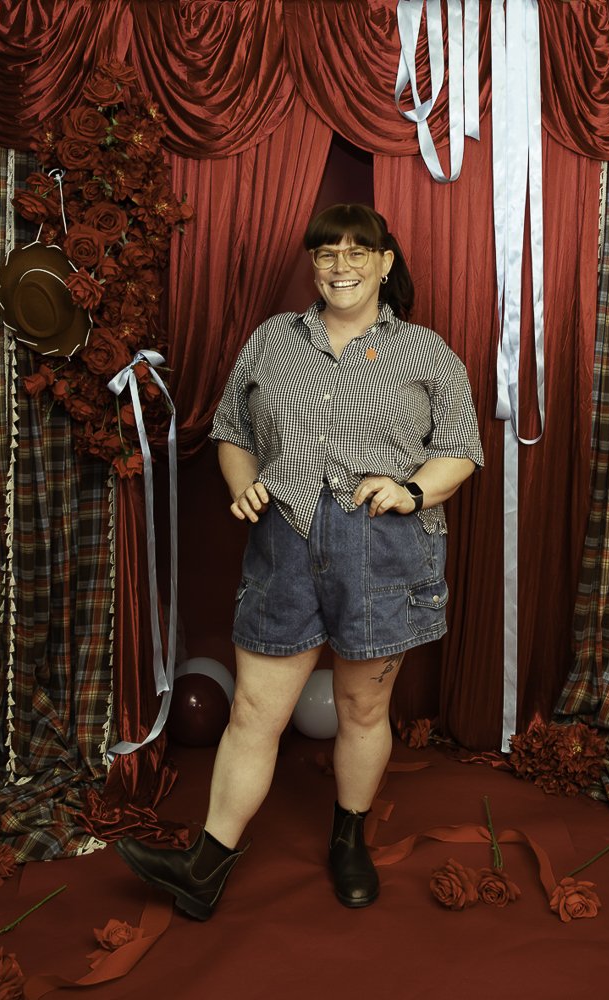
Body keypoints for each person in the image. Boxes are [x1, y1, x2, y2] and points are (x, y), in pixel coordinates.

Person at [116, 203, 483, 920]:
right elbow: (229, 432)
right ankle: (205, 865)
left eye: (356, 253)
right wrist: (242, 481)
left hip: (381, 542)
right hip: (284, 535)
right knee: (254, 709)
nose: (339, 266)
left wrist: (410, 489)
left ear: (384, 262)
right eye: (325, 253)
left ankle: (349, 839)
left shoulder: (426, 351)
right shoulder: (271, 341)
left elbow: (462, 450)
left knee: (361, 705)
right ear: (312, 264)